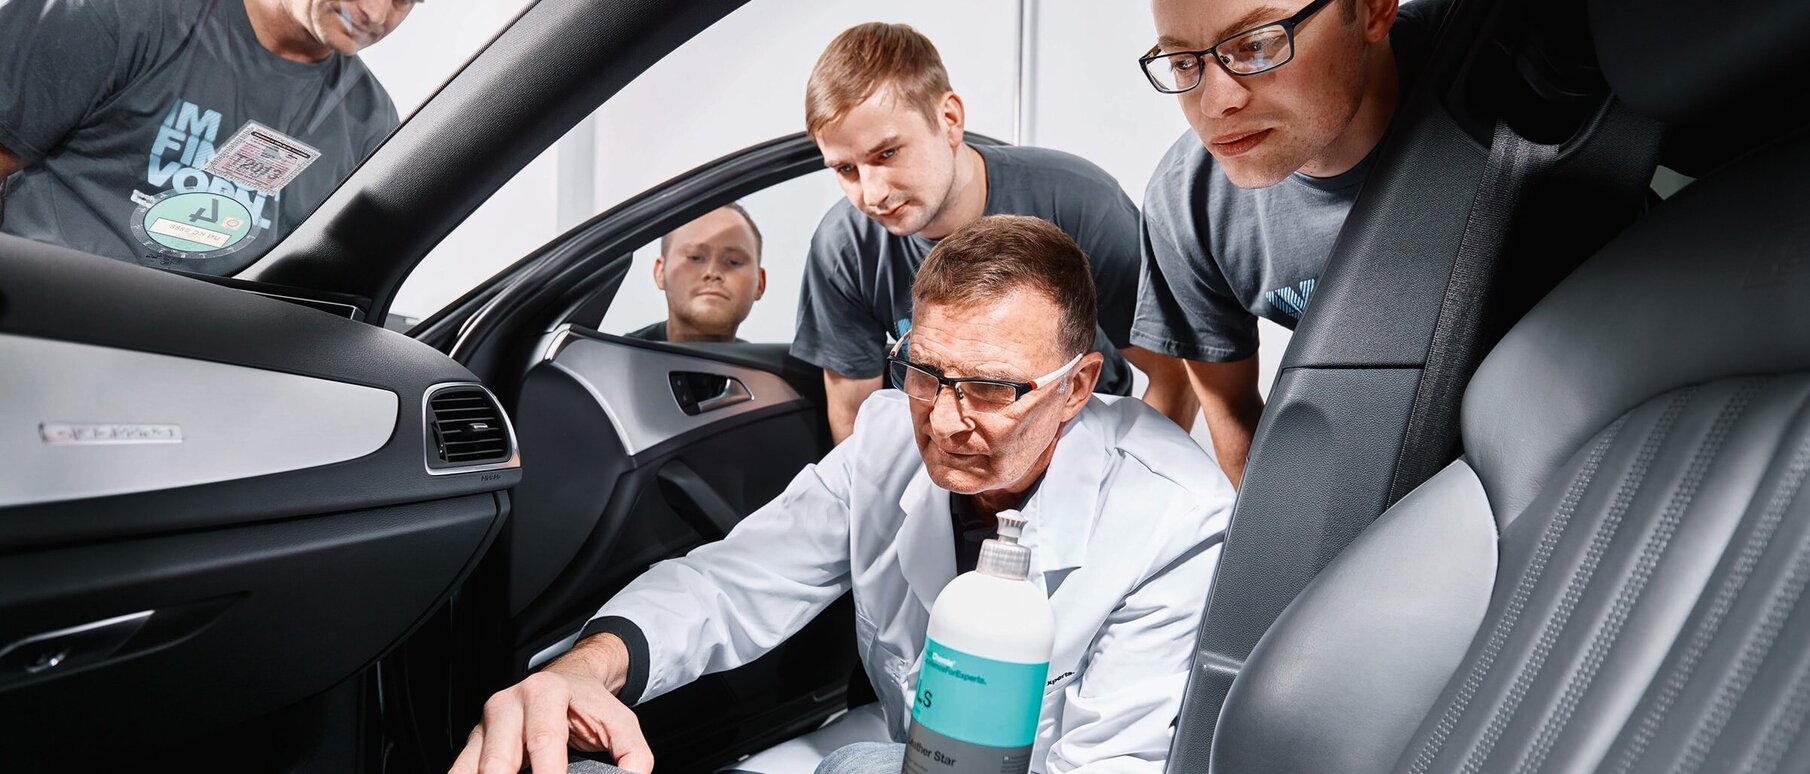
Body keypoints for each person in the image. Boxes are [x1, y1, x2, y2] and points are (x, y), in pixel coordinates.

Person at [450, 215, 1233, 774]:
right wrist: (583, 671)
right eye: (925, 372)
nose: (948, 420)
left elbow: (1105, 763)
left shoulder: (1173, 517)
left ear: (1077, 388)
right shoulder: (891, 433)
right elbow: (735, 581)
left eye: (993, 389)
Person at [791, 22, 1198, 445]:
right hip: (943, 453)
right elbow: (857, 420)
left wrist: (1120, 491)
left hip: (1081, 439)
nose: (872, 193)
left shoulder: (1079, 202)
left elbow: (1176, 378)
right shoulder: (844, 248)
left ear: (949, 119)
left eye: (888, 153)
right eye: (846, 169)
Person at [1132, 0, 1450, 486]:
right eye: (1183, 62)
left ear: (1373, 9)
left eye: (1256, 45)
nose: (1216, 105)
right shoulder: (1187, 207)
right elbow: (1235, 420)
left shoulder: (1506, 64)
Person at [0, 0, 415, 274]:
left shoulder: (371, 122)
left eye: (403, 0)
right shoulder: (117, 13)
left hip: (208, 362)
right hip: (45, 320)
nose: (375, 14)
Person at [624, 203, 766, 343]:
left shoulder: (764, 365)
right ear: (661, 272)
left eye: (734, 261)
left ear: (760, 283)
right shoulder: (618, 360)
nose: (713, 272)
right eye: (695, 257)